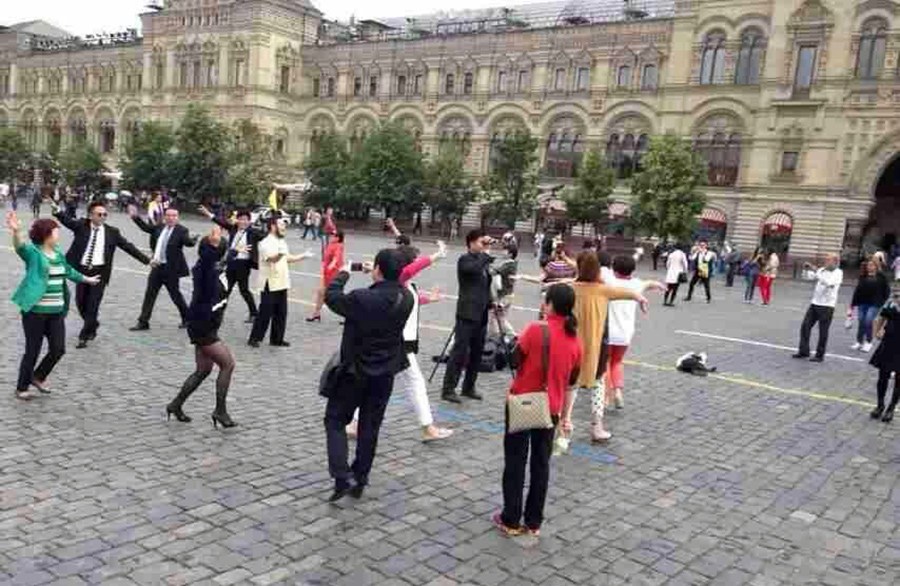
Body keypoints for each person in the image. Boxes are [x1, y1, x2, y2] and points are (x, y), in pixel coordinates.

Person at [323, 249, 414, 502]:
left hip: (355, 371)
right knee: (370, 427)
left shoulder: (363, 298)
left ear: (377, 270)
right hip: (384, 374)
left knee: (335, 420)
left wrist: (344, 271)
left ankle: (342, 475)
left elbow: (332, 296)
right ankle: (360, 478)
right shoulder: (406, 298)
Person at [493, 284, 582, 537]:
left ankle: (510, 519)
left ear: (550, 305)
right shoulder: (575, 340)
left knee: (515, 462)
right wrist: (566, 417)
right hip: (551, 408)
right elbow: (571, 383)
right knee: (541, 465)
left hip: (523, 402)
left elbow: (513, 360)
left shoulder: (534, 329)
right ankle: (534, 522)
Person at [7, 212, 101, 400]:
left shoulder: (57, 254)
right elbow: (20, 248)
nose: (59, 235)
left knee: (58, 349)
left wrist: (87, 279)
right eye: (56, 232)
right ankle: (21, 387)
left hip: (56, 311)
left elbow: (68, 271)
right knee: (32, 350)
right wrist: (17, 232)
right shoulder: (34, 253)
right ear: (46, 234)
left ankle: (38, 376)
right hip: (35, 312)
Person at [571, 253, 648, 442]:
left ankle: (565, 422)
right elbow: (627, 293)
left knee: (570, 384)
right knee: (598, 383)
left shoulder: (572, 288)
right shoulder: (603, 289)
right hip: (598, 345)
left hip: (573, 345)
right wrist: (640, 298)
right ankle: (597, 427)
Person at [52, 200, 151, 348]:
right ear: (91, 215)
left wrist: (147, 261)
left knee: (93, 305)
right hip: (82, 271)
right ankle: (92, 324)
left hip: (100, 273)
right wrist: (57, 211)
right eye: (100, 214)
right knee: (81, 303)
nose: (103, 217)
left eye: (105, 214)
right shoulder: (81, 226)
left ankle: (84, 336)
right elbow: (67, 221)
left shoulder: (112, 232)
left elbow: (128, 247)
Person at [166, 226, 237, 428]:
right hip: (202, 326)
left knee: (203, 370)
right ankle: (220, 411)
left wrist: (234, 251)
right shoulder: (205, 268)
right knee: (228, 365)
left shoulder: (215, 267)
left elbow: (222, 262)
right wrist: (213, 245)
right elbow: (209, 260)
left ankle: (175, 405)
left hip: (206, 324)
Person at [604, 255, 664, 411]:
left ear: (614, 269)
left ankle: (605, 396)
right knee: (617, 362)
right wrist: (659, 285)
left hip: (608, 331)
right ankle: (618, 391)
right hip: (625, 332)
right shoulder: (636, 284)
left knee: (605, 363)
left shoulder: (609, 281)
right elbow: (649, 284)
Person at [441, 229, 494, 403]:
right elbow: (473, 270)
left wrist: (491, 301)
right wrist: (486, 253)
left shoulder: (482, 262)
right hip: (467, 313)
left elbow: (484, 285)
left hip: (481, 313)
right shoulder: (465, 260)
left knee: (477, 353)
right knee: (460, 352)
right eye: (481, 242)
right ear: (471, 243)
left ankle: (468, 387)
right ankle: (448, 389)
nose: (483, 245)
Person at [129, 205, 197, 331]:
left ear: (177, 218)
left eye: (174, 216)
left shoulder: (181, 230)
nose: (171, 218)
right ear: (164, 217)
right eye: (168, 215)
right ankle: (143, 322)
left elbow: (187, 241)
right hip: (157, 266)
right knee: (150, 294)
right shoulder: (159, 227)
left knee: (175, 295)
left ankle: (187, 318)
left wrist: (193, 240)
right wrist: (135, 217)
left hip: (171, 270)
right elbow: (146, 228)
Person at [248, 217, 312, 347]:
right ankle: (254, 338)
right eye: (281, 225)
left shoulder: (281, 241)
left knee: (281, 312)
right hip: (269, 282)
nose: (284, 228)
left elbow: (287, 258)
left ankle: (277, 339)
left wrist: (303, 255)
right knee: (265, 312)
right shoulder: (265, 242)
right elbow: (271, 259)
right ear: (272, 226)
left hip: (282, 281)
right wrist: (280, 255)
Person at [199, 205, 262, 323]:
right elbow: (220, 222)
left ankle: (254, 313)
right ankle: (218, 312)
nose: (243, 221)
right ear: (237, 220)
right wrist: (208, 214)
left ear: (249, 221)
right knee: (225, 289)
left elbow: (266, 236)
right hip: (231, 262)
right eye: (241, 219)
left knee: (244, 290)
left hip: (244, 265)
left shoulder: (253, 232)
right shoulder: (233, 228)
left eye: (246, 219)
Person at [793, 253, 844, 362]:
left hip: (827, 306)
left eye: (828, 260)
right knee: (805, 326)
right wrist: (806, 269)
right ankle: (804, 351)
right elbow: (807, 277)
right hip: (815, 303)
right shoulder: (821, 270)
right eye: (826, 260)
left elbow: (829, 284)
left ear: (835, 262)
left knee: (823, 331)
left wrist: (816, 272)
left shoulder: (838, 273)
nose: (826, 262)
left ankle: (819, 355)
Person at [869, 287, 900, 422]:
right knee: (883, 376)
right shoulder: (891, 305)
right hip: (888, 344)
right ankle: (880, 405)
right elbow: (879, 318)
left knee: (899, 380)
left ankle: (891, 408)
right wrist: (876, 333)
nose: (897, 297)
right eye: (897, 295)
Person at [848, 259, 890, 352]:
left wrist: (882, 302)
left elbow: (887, 291)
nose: (869, 267)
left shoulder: (881, 277)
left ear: (876, 266)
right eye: (868, 265)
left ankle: (868, 342)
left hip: (875, 304)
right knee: (861, 321)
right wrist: (853, 304)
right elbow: (857, 291)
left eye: (872, 265)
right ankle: (859, 342)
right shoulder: (863, 276)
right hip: (862, 302)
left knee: (868, 320)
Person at [307, 230, 346, 322]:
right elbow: (325, 258)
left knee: (336, 296)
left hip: (334, 273)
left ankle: (347, 315)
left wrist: (332, 264)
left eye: (334, 235)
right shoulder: (330, 245)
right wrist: (323, 267)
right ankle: (316, 314)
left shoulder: (339, 246)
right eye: (331, 234)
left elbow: (336, 257)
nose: (332, 236)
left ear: (338, 237)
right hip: (327, 272)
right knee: (321, 293)